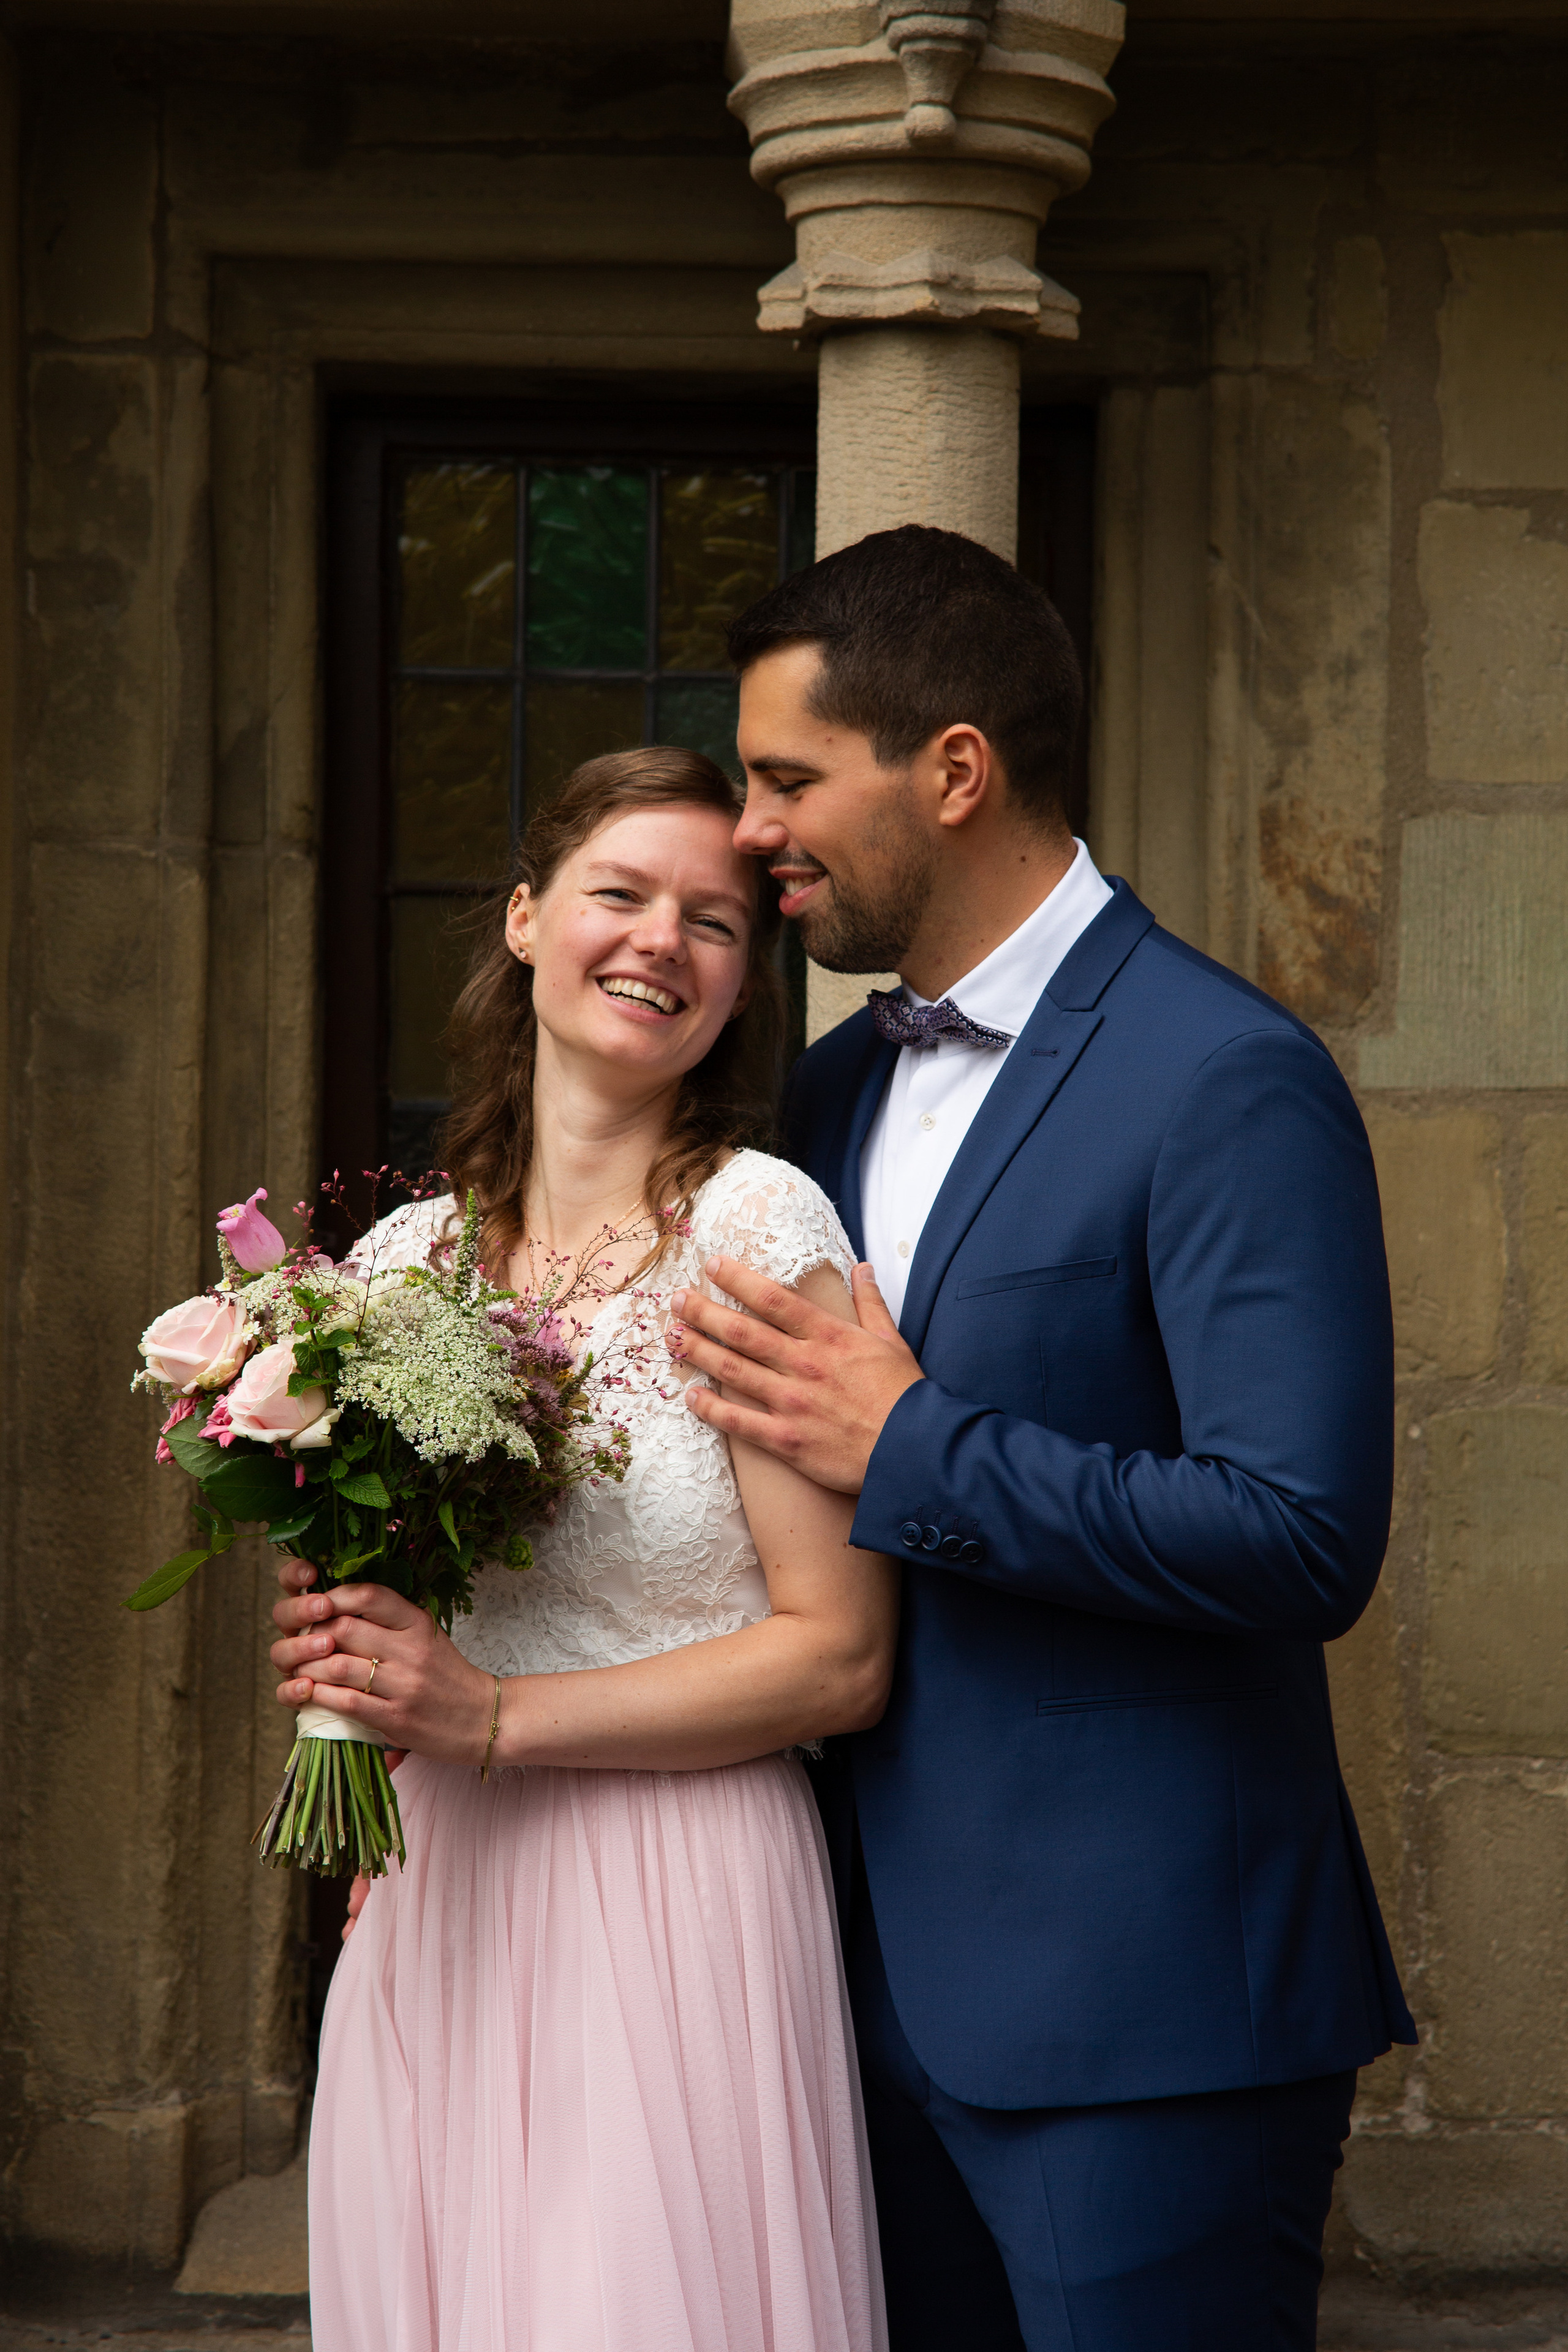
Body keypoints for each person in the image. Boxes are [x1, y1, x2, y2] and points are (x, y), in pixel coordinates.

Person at [662, 525, 1417, 2351]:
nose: (748, 829)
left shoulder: (1224, 1073)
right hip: (846, 1999)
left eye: (784, 779)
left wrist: (914, 1442)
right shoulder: (830, 1088)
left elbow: (1301, 1534)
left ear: (953, 770)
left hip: (1141, 2018)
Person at [270, 748, 894, 2352]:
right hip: (445, 1896)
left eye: (713, 921)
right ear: (531, 918)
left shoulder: (759, 1236)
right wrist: (349, 1659)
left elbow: (842, 1656)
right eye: (622, 894)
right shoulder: (404, 1262)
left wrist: (488, 1714)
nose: (661, 943)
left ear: (743, 985)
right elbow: (399, 1594)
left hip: (679, 1894)